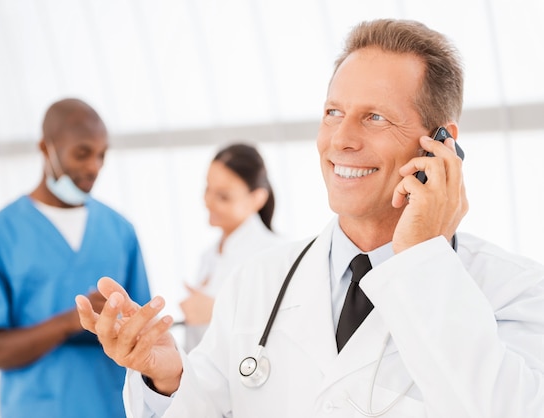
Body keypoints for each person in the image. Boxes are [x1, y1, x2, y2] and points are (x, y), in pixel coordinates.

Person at [76, 19, 544, 417]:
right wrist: (167, 378)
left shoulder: (513, 291)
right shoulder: (259, 280)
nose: (341, 139)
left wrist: (423, 259)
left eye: (375, 118)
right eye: (333, 112)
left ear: (442, 144)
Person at [0, 98, 151, 418]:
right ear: (46, 148)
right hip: (36, 407)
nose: (94, 167)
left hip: (112, 407)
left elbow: (143, 331)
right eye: (82, 153)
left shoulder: (121, 232)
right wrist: (72, 320)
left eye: (102, 155)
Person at [179, 143, 282, 352]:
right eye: (208, 188)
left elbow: (285, 328)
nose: (208, 201)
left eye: (223, 196)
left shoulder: (275, 254)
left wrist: (216, 311)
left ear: (257, 199)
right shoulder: (208, 256)